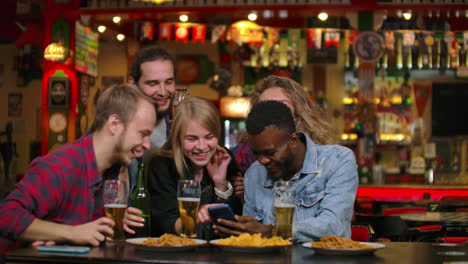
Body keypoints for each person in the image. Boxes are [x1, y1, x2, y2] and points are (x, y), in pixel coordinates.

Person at [0, 83, 157, 254]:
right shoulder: (62, 166)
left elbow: (84, 226)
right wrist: (71, 233)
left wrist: (110, 222)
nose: (148, 145)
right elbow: (6, 215)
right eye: (143, 133)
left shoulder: (112, 170)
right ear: (114, 124)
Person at [211, 101, 358, 241]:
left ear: (293, 141)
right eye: (256, 153)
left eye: (270, 153)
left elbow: (334, 225)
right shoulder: (254, 174)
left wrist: (271, 231)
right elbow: (253, 237)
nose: (262, 161)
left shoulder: (337, 160)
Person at [124, 97, 242, 240]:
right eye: (192, 139)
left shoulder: (223, 158)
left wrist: (220, 184)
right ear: (177, 138)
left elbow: (235, 227)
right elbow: (163, 225)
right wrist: (193, 218)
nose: (202, 147)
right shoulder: (162, 164)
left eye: (209, 137)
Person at [232, 75, 335, 174]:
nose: (274, 111)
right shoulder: (243, 154)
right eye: (265, 105)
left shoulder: (324, 155)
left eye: (283, 104)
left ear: (298, 111)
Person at [128, 46, 176, 166]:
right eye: (153, 83)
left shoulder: (176, 121)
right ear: (132, 83)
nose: (163, 92)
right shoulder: (117, 124)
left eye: (169, 82)